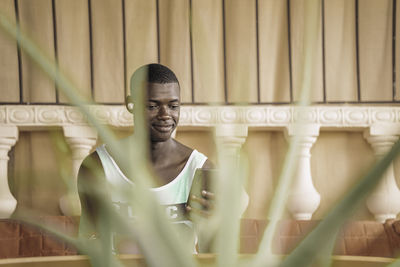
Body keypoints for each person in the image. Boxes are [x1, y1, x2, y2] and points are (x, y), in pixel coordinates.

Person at [77, 63, 213, 253]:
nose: (165, 115)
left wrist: (218, 221)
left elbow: (213, 252)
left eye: (173, 106)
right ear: (130, 104)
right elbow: (88, 243)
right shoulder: (98, 166)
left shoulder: (199, 168)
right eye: (152, 106)